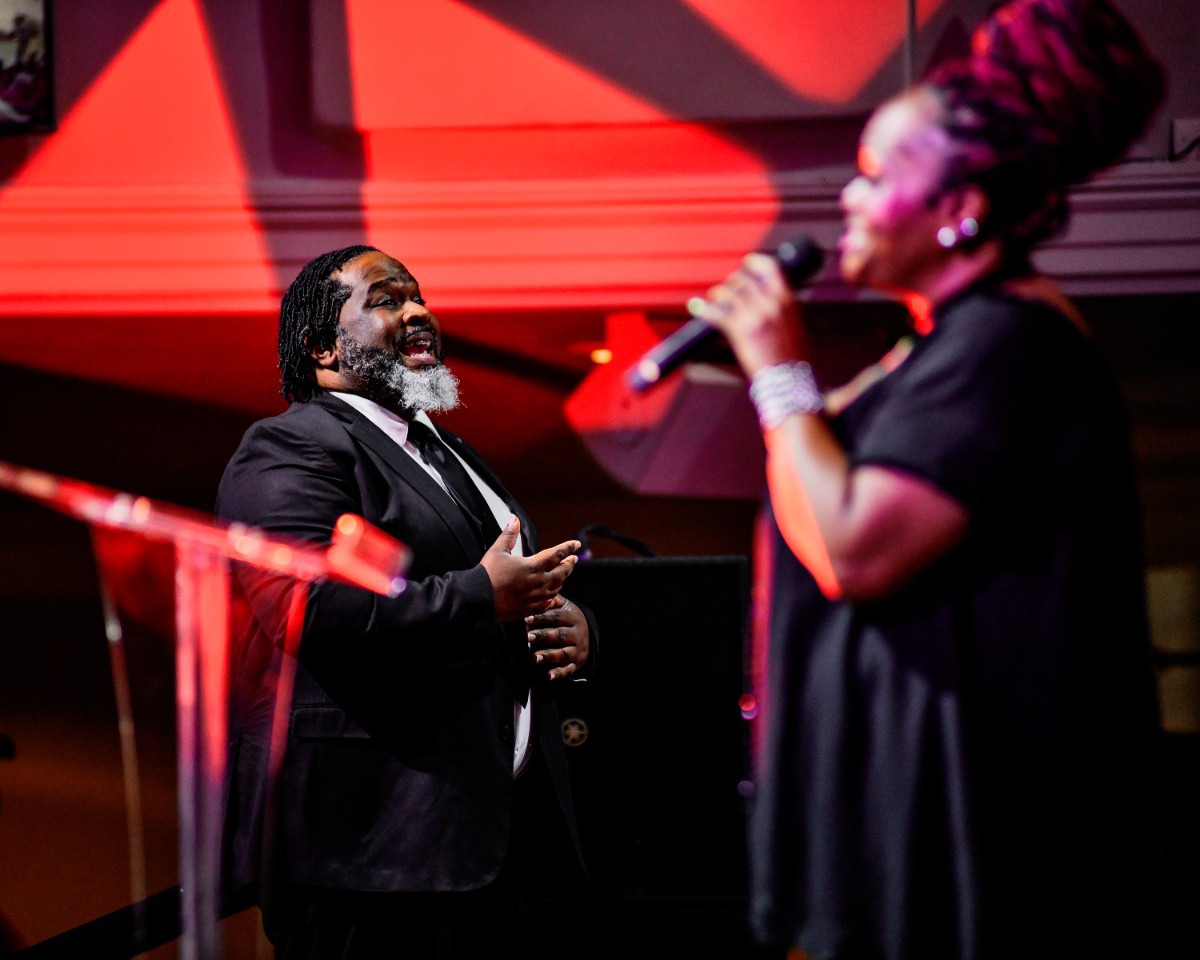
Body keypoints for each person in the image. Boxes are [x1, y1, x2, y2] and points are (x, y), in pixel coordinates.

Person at [698, 1, 1167, 958]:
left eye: (878, 176)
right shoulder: (943, 354)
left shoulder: (1009, 348)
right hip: (904, 846)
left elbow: (851, 547)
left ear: (959, 211)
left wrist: (781, 374)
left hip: (978, 867)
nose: (851, 201)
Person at [215, 244, 596, 958]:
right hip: (370, 845)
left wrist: (571, 626)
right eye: (387, 299)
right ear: (322, 344)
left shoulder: (449, 451)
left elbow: (507, 592)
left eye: (418, 295)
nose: (419, 311)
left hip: (486, 841)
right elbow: (307, 610)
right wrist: (483, 595)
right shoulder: (290, 447)